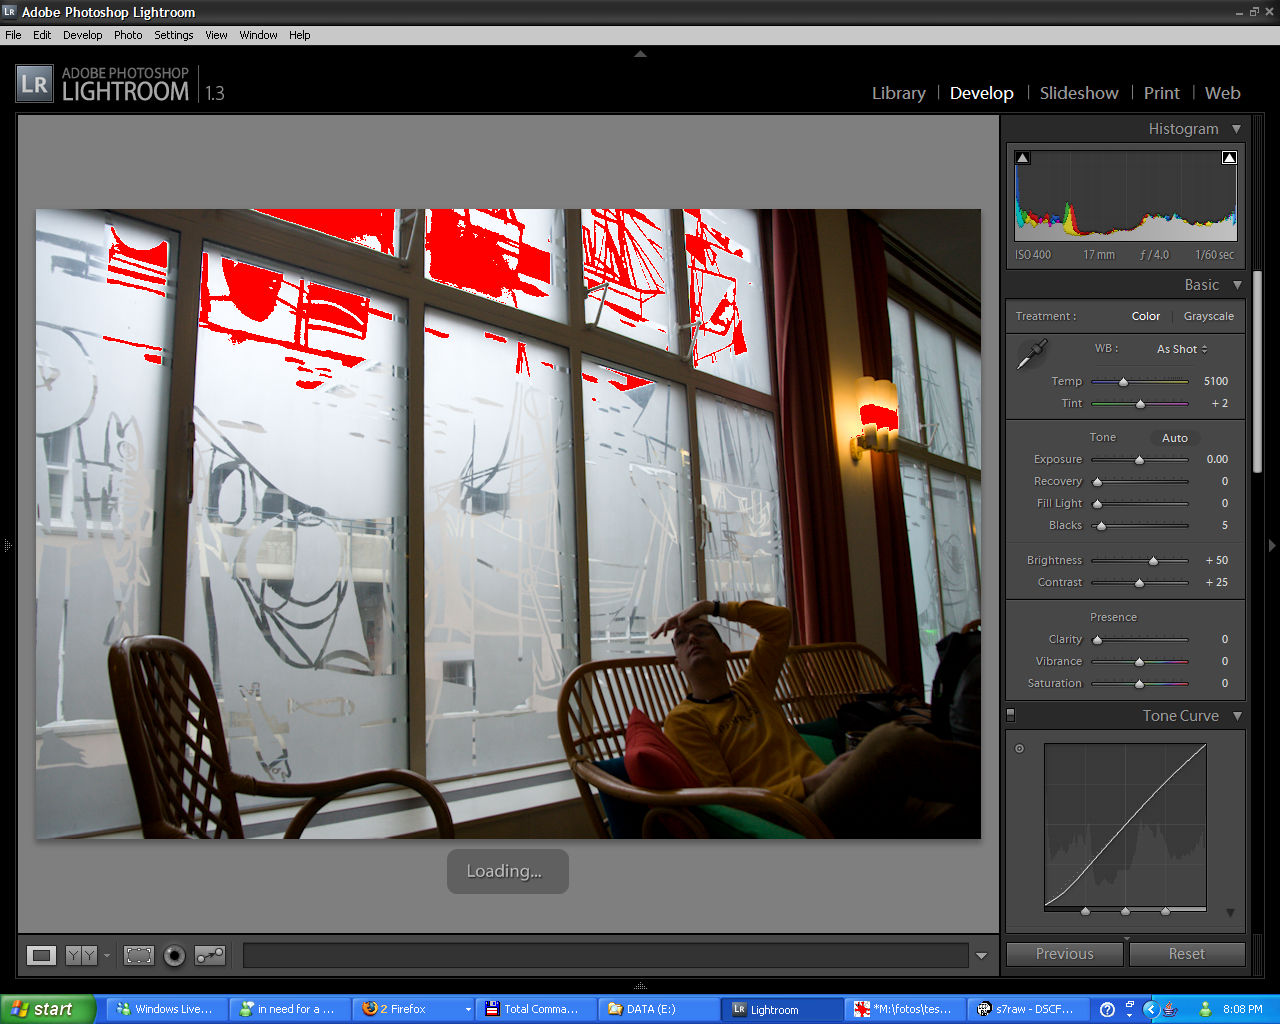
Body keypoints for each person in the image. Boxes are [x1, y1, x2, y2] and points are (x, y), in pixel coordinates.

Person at [650, 598, 979, 838]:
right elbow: (723, 800)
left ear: (725, 651)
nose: (692, 638)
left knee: (952, 815)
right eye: (681, 640)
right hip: (794, 813)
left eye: (702, 631)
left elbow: (779, 621)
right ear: (678, 664)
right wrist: (815, 782)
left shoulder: (753, 686)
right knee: (888, 740)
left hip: (838, 792)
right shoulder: (684, 719)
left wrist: (712, 607)